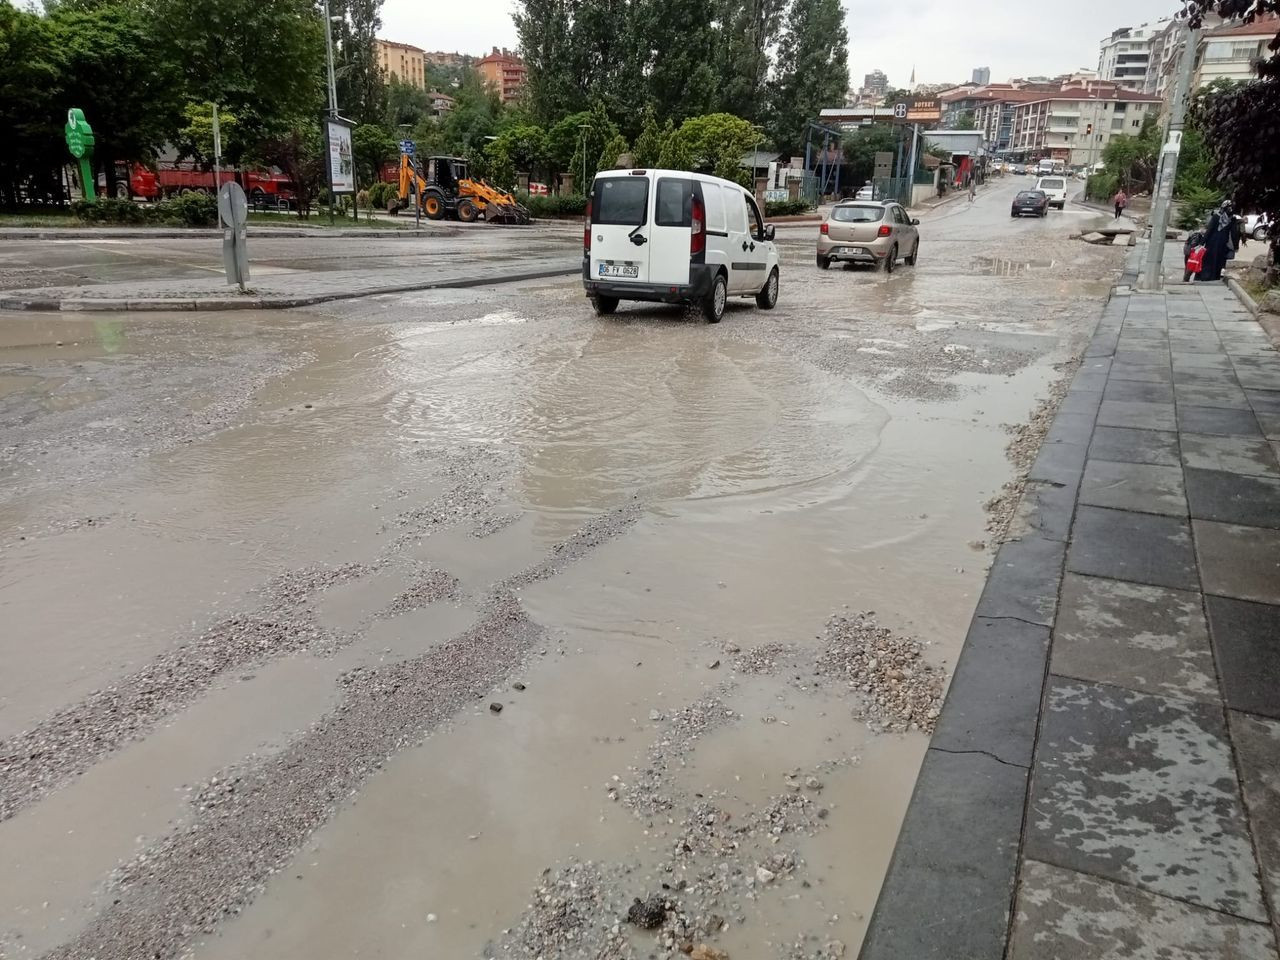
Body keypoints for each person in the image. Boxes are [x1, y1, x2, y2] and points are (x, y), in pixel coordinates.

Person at [1198, 201, 1234, 283]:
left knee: (1208, 260)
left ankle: (1206, 276)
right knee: (1218, 260)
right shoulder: (1231, 219)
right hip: (1223, 243)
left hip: (1212, 242)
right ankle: (1215, 276)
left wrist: (1201, 243)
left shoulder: (1216, 217)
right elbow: (1232, 233)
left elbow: (1209, 230)